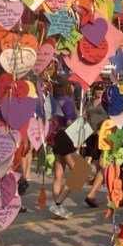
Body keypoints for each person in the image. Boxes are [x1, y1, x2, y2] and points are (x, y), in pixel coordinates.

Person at [48, 78, 79, 219]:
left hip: (56, 136)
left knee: (58, 175)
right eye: (72, 85)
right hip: (67, 135)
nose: (74, 87)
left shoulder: (54, 101)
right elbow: (70, 122)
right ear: (68, 87)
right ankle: (58, 203)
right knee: (80, 172)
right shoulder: (68, 101)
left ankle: (57, 206)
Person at [83, 83, 109, 208]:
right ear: (94, 91)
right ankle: (97, 182)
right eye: (97, 89)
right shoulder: (89, 102)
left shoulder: (106, 102)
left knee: (97, 160)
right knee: (93, 158)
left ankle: (95, 182)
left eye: (101, 89)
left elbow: (109, 118)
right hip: (90, 133)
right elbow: (85, 115)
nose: (99, 91)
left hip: (101, 135)